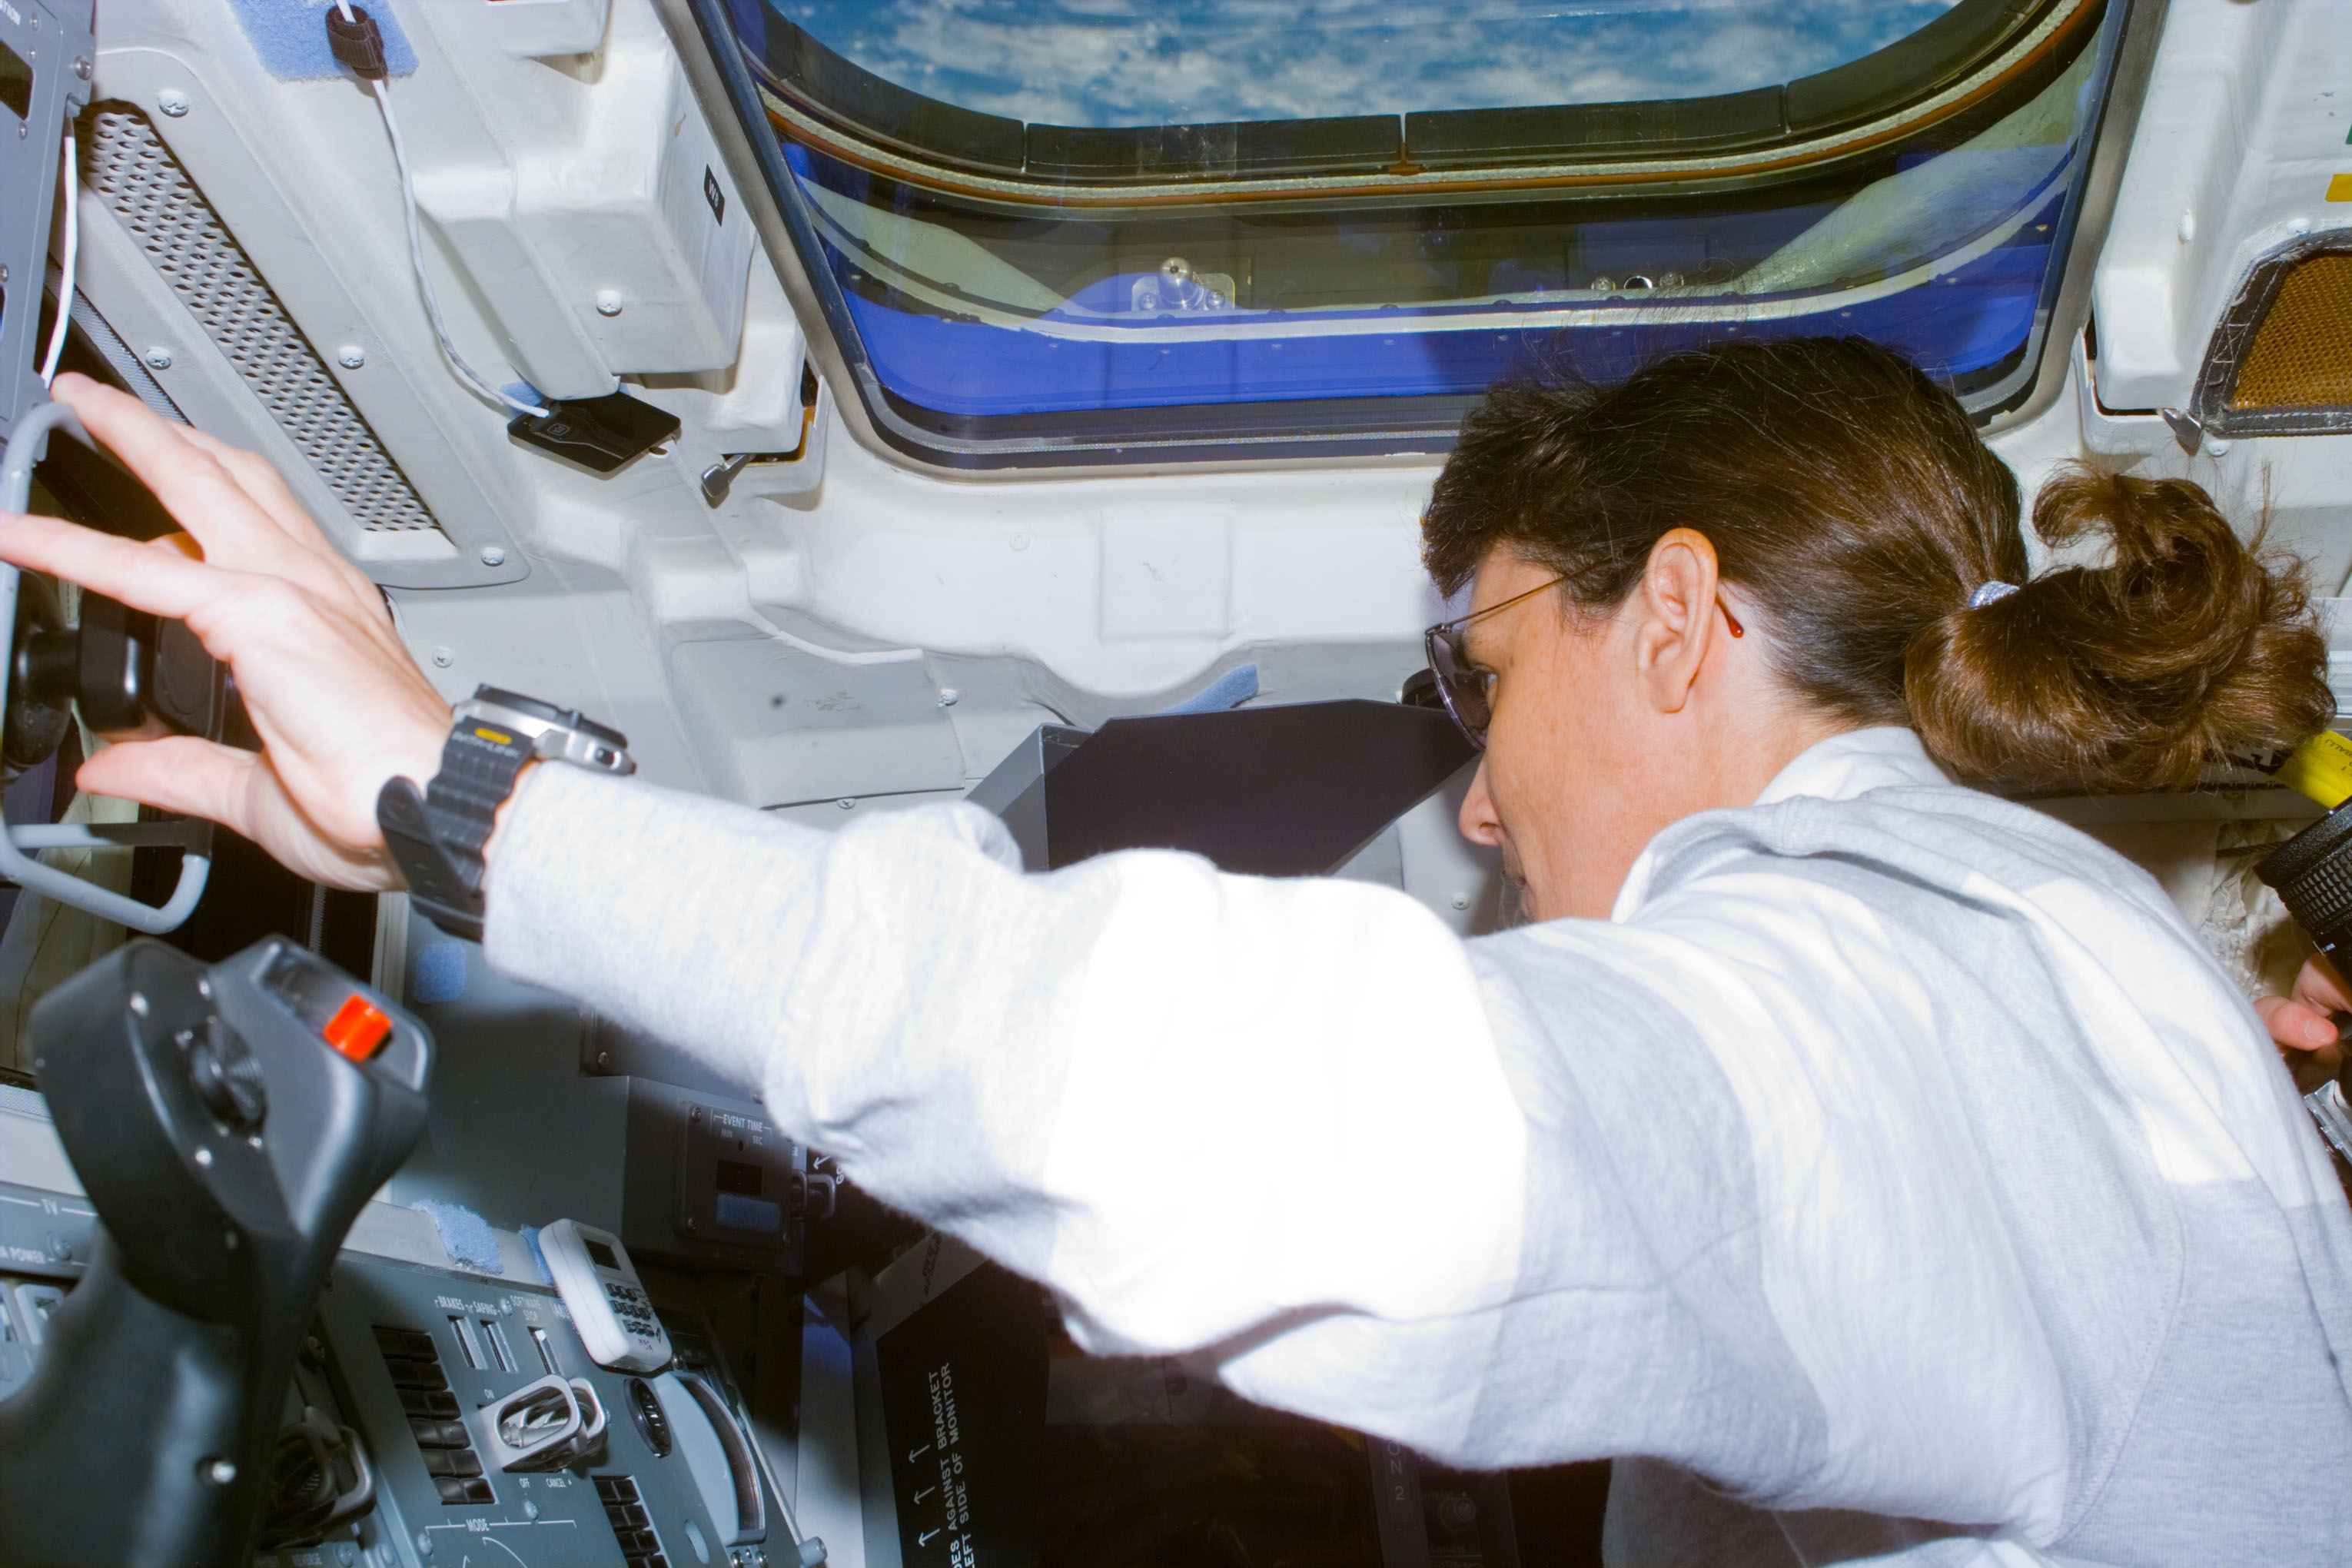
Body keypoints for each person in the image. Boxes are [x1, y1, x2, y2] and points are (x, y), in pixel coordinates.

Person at [7, 338, 2350, 1566]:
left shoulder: (1907, 993)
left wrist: (469, 800)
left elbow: (1289, 1112)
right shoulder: (2024, 958)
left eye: (1476, 676)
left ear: (1673, 620)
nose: (1474, 797)